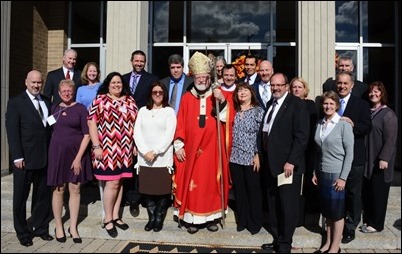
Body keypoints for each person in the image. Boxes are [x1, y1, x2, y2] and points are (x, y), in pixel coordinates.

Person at [173, 51, 231, 234]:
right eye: (199, 77)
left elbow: (227, 119)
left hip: (213, 149)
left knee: (211, 183)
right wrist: (179, 145)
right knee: (192, 182)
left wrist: (222, 102)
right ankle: (191, 218)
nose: (202, 80)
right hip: (191, 149)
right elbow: (180, 122)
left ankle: (212, 217)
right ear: (194, 77)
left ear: (209, 78)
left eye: (205, 77)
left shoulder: (217, 95)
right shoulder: (186, 98)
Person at [259, 72, 310, 253]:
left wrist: (291, 161)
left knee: (287, 206)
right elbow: (266, 132)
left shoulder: (297, 105)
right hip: (270, 165)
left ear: (286, 86)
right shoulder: (269, 104)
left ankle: (285, 244)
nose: (275, 88)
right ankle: (277, 239)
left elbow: (302, 137)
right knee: (273, 205)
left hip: (287, 167)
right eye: (273, 85)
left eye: (279, 85)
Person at [5, 70, 54, 247]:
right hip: (24, 161)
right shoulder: (16, 103)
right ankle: (22, 232)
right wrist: (17, 156)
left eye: (39, 82)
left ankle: (40, 228)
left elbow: (49, 128)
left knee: (42, 197)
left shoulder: (47, 101)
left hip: (44, 159)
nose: (36, 85)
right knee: (20, 198)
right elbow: (12, 132)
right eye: (33, 82)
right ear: (26, 82)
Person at [87, 72, 138, 238]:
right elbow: (91, 122)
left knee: (120, 181)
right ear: (108, 85)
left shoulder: (129, 100)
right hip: (107, 148)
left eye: (119, 82)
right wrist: (96, 146)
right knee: (112, 182)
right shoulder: (100, 99)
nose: (117, 85)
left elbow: (136, 123)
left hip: (126, 149)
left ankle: (116, 215)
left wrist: (136, 144)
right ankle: (107, 219)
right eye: (113, 82)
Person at [47, 79, 92, 244]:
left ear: (73, 92)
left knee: (75, 188)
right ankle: (59, 226)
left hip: (76, 154)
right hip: (57, 154)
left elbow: (86, 135)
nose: (67, 93)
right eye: (63, 91)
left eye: (69, 91)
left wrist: (79, 158)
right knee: (58, 189)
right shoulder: (53, 109)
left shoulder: (80, 109)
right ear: (59, 93)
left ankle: (73, 227)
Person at [312, 91, 354, 254]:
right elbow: (318, 151)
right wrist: (315, 172)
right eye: (325, 103)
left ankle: (335, 247)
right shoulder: (320, 123)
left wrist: (343, 178)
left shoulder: (344, 125)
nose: (328, 106)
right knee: (327, 211)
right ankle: (327, 243)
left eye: (331, 103)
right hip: (323, 173)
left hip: (337, 174)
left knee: (336, 212)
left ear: (337, 105)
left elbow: (349, 153)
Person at [133, 81, 177, 232]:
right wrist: (145, 151)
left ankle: (159, 217)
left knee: (162, 190)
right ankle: (151, 217)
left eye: (160, 92)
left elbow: (169, 134)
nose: (157, 94)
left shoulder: (169, 112)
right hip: (144, 158)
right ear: (150, 94)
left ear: (164, 94)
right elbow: (136, 132)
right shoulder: (143, 111)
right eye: (154, 92)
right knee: (148, 190)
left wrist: (155, 151)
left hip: (162, 159)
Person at [335, 71, 372, 244]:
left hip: (354, 158)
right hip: (334, 158)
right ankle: (336, 224)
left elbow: (367, 127)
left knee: (353, 193)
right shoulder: (330, 101)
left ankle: (350, 226)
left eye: (345, 83)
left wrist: (353, 125)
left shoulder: (361, 104)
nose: (342, 86)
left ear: (352, 85)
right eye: (339, 83)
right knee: (336, 192)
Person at [122, 50, 159, 218]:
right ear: (131, 61)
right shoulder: (122, 79)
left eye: (141, 61)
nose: (139, 63)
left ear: (145, 62)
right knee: (127, 163)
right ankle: (128, 197)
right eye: (136, 61)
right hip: (124, 127)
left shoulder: (151, 79)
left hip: (144, 126)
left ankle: (140, 198)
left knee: (141, 163)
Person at [361, 81, 398, 233]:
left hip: (380, 161)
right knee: (369, 192)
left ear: (382, 94)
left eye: (377, 91)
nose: (373, 94)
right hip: (367, 160)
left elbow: (391, 139)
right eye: (371, 91)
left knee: (379, 193)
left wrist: (384, 158)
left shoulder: (388, 114)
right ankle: (369, 221)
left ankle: (377, 224)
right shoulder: (368, 111)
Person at [229, 82, 264, 235]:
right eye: (239, 91)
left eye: (245, 90)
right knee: (240, 191)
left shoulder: (258, 111)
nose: (242, 93)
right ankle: (242, 220)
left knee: (253, 191)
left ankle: (254, 223)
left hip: (251, 157)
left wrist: (257, 154)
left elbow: (261, 135)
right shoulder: (234, 111)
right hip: (235, 157)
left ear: (251, 93)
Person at [290, 77, 319, 226]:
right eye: (294, 87)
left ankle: (304, 216)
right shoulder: (288, 104)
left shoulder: (309, 104)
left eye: (299, 87)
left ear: (304, 89)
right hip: (291, 151)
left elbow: (312, 127)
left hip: (307, 149)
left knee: (305, 183)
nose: (296, 89)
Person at [220, 64, 237, 158]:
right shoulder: (216, 90)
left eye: (231, 75)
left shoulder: (241, 91)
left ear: (235, 76)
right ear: (222, 76)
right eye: (226, 75)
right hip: (220, 131)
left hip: (236, 130)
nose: (229, 78)